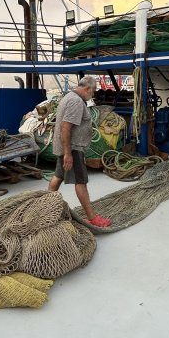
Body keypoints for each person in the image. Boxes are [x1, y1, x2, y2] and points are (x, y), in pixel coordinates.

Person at [48, 76, 112, 228]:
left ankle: (46, 206)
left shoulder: (69, 97)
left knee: (58, 176)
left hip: (66, 147)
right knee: (81, 181)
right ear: (88, 89)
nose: (93, 94)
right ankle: (92, 218)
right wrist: (68, 154)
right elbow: (65, 127)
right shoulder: (76, 101)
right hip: (73, 148)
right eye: (93, 91)